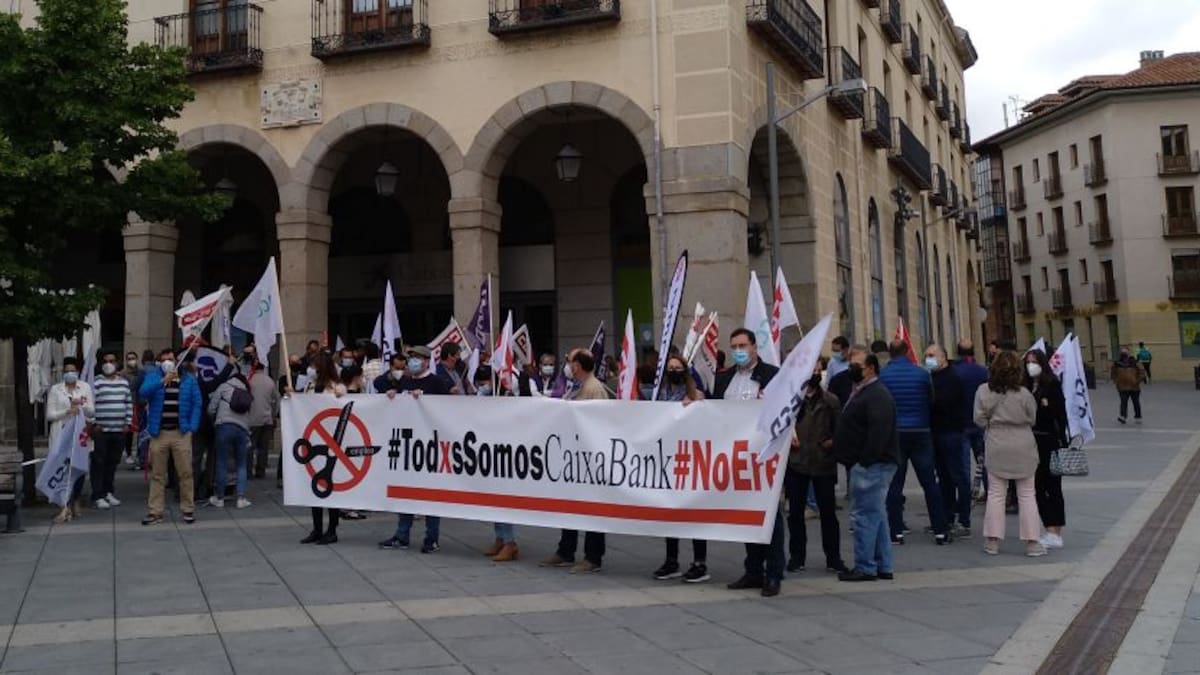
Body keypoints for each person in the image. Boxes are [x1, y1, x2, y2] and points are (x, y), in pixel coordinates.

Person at [715, 328, 784, 597]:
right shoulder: (724, 380)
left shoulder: (772, 376)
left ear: (755, 347)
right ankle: (753, 570)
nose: (739, 350)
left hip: (765, 456)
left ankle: (774, 573)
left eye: (743, 344)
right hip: (736, 456)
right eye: (734, 346)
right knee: (745, 514)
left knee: (771, 515)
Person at [541, 349, 610, 574]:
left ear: (578, 365)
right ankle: (565, 551)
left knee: (592, 509)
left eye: (570, 361)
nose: (567, 365)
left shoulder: (593, 388)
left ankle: (593, 557)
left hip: (589, 458)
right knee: (570, 505)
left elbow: (600, 422)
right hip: (573, 456)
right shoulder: (576, 386)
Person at [833, 346, 899, 582]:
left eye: (856, 366)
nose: (851, 369)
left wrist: (865, 461)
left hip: (872, 465)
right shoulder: (862, 390)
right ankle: (883, 564)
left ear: (870, 368)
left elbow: (879, 432)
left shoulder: (877, 394)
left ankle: (865, 566)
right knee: (876, 516)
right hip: (867, 463)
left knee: (863, 516)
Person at [378, 346, 449, 553]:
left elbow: (448, 409)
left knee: (431, 495)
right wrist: (393, 393)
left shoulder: (436, 382)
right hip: (408, 445)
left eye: (417, 359)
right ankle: (402, 535)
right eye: (411, 359)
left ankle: (431, 538)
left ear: (427, 361)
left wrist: (426, 398)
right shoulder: (406, 380)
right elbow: (381, 384)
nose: (412, 363)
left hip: (429, 446)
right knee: (405, 492)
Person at [975, 350, 1044, 557]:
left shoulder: (983, 391)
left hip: (997, 441)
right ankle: (1032, 542)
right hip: (1022, 442)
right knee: (1027, 494)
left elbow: (978, 419)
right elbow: (1033, 418)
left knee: (996, 494)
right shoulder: (1024, 394)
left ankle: (992, 541)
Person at [880, 340, 949, 545]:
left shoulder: (883, 375)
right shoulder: (921, 374)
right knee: (929, 482)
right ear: (908, 351)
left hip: (896, 433)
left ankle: (896, 532)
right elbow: (931, 400)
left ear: (890, 353)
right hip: (921, 431)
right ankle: (940, 530)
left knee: (895, 484)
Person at [785, 357, 847, 574]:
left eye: (817, 369)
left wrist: (831, 444)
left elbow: (840, 430)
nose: (813, 373)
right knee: (795, 514)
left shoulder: (830, 401)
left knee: (828, 514)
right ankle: (796, 556)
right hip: (797, 462)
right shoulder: (791, 400)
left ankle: (833, 557)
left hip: (823, 463)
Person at [652, 354, 710, 583]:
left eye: (678, 368)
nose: (674, 371)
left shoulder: (696, 394)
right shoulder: (662, 393)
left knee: (694, 512)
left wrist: (696, 403)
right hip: (668, 459)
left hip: (690, 459)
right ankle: (671, 559)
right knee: (670, 510)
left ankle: (700, 562)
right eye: (670, 368)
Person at [140, 349, 201, 526]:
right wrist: (162, 382)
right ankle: (155, 511)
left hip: (181, 433)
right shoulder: (154, 376)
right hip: (159, 434)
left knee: (185, 472)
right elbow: (143, 393)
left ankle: (188, 509)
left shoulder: (188, 379)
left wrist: (192, 427)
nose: (167, 362)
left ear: (177, 361)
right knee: (158, 474)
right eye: (164, 359)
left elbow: (197, 403)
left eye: (170, 359)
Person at [472, 366, 520, 562]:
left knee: (503, 500)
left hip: (504, 454)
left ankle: (510, 543)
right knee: (493, 500)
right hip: (489, 452)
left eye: (483, 383)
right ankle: (500, 537)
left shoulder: (506, 397)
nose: (481, 387)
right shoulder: (485, 397)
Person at [1025, 349, 1068, 550]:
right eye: (1028, 362)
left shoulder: (1051, 384)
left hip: (1050, 441)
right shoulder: (1026, 386)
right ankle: (1049, 527)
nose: (1030, 365)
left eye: (1034, 361)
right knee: (1037, 487)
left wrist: (1045, 406)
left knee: (1053, 487)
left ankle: (1055, 531)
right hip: (1032, 442)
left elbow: (1059, 414)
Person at [927, 344, 970, 538]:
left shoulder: (952, 377)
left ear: (943, 357)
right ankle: (947, 517)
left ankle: (964, 519)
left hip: (951, 432)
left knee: (957, 476)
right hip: (937, 433)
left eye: (931, 355)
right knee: (943, 478)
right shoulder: (931, 377)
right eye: (926, 355)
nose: (928, 358)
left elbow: (943, 403)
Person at [46, 358, 95, 522]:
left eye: (72, 370)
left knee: (79, 468)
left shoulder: (85, 387)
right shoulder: (55, 389)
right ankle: (63, 506)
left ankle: (75, 501)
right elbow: (50, 415)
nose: (69, 373)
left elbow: (91, 412)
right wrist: (67, 411)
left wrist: (82, 405)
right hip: (61, 435)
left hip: (79, 435)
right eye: (67, 370)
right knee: (62, 470)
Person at [300, 351, 341, 544]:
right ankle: (316, 528)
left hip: (331, 441)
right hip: (313, 439)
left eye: (315, 366)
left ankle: (332, 529)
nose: (311, 369)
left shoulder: (335, 387)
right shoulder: (309, 385)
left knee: (330, 486)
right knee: (314, 485)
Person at [207, 365, 253, 509]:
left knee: (222, 463)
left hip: (224, 427)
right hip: (242, 429)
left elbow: (211, 409)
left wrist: (214, 420)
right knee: (241, 464)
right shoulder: (246, 391)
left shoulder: (223, 387)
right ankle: (241, 498)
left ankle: (219, 498)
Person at [91, 351, 132, 510]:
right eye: (106, 361)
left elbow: (128, 403)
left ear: (117, 363)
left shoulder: (123, 382)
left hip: (119, 430)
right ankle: (97, 494)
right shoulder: (96, 382)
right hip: (101, 431)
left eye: (112, 360)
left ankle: (108, 491)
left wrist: (127, 423)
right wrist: (94, 423)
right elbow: (90, 404)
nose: (109, 364)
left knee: (112, 462)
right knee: (98, 462)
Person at [953, 340, 990, 502]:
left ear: (957, 352)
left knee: (963, 465)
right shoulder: (983, 371)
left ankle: (965, 496)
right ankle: (990, 490)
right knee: (984, 461)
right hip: (980, 423)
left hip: (960, 424)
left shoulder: (954, 372)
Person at [243, 346, 280, 480]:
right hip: (266, 419)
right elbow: (276, 399)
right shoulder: (270, 381)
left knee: (250, 447)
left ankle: (248, 471)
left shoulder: (249, 380)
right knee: (263, 448)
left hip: (252, 418)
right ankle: (260, 471)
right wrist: (273, 414)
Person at [1111, 348, 1146, 424]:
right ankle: (1123, 417)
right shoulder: (1117, 363)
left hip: (1134, 387)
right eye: (1123, 352)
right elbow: (1113, 373)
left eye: (1125, 352)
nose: (1124, 354)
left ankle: (1138, 417)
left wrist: (1137, 381)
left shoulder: (1135, 362)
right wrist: (1116, 381)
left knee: (1136, 402)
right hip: (1122, 387)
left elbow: (1142, 372)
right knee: (1123, 402)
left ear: (1129, 353)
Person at [122, 351, 142, 466]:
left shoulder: (141, 373)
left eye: (133, 358)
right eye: (129, 358)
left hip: (139, 404)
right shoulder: (123, 374)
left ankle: (139, 453)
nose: (132, 360)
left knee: (140, 430)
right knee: (129, 431)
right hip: (128, 404)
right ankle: (129, 453)